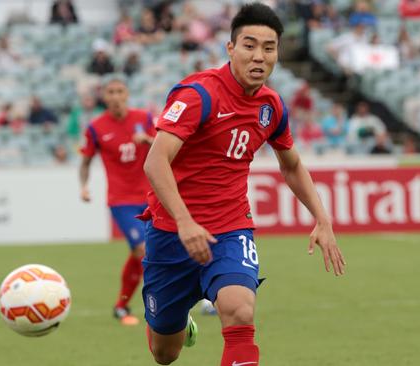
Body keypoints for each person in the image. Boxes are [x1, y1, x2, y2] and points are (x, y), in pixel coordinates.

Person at [138, 4, 346, 365]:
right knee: (164, 353)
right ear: (230, 48)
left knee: (240, 311)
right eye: (249, 45)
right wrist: (186, 222)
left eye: (269, 47)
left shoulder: (272, 107)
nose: (259, 56)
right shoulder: (198, 96)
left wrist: (321, 218)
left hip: (231, 230)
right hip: (172, 234)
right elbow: (155, 161)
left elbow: (292, 164)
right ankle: (178, 322)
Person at [79, 78, 155, 326]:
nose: (115, 96)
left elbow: (166, 147)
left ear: (127, 94)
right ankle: (153, 300)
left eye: (119, 91)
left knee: (158, 248)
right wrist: (84, 187)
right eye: (110, 92)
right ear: (104, 96)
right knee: (142, 250)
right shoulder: (96, 127)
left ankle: (121, 305)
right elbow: (86, 161)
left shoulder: (144, 118)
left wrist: (148, 140)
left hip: (152, 196)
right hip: (121, 201)